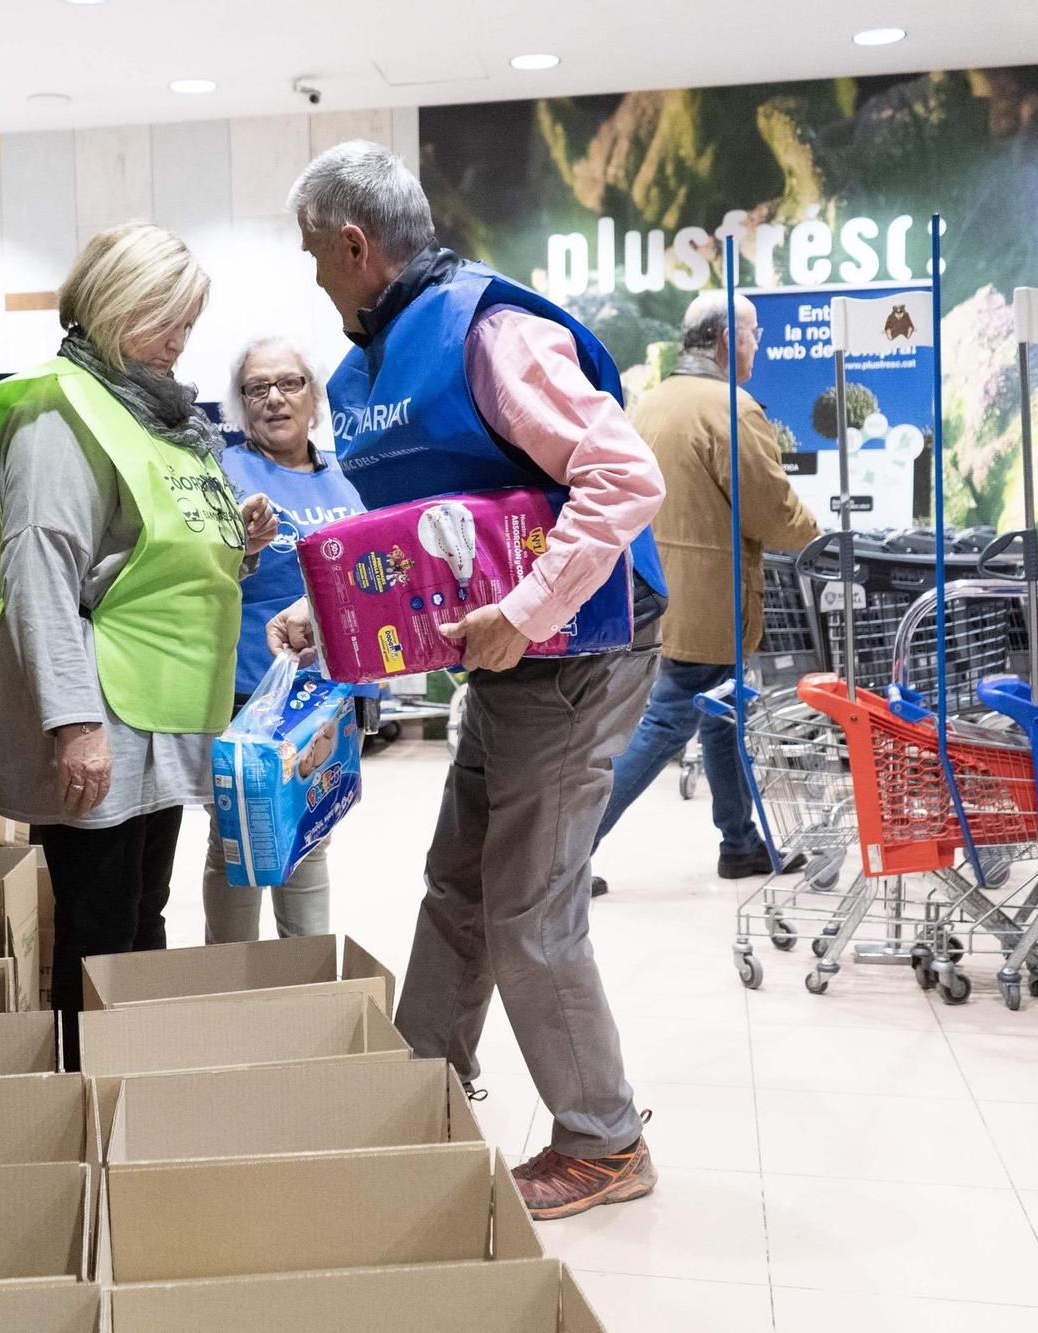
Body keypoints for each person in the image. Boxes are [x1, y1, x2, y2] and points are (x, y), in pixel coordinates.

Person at [267, 141, 667, 1220]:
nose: (311, 276)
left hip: (579, 649)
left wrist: (526, 607)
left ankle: (603, 1140)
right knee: (457, 885)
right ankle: (420, 1084)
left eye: (313, 254)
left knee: (529, 908)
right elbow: (414, 526)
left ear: (354, 245)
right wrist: (324, 605)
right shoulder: (377, 364)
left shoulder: (492, 335)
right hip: (508, 661)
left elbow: (625, 476)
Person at [0, 222, 277, 1069]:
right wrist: (72, 722)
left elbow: (144, 551)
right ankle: (93, 1102)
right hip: (100, 714)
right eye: (160, 317)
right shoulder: (60, 412)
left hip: (162, 710)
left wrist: (235, 544)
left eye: (187, 319)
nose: (178, 340)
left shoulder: (164, 418)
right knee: (100, 930)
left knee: (143, 911)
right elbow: (40, 573)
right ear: (109, 307)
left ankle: (139, 1085)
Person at [590, 292, 822, 894]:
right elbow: (770, 509)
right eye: (753, 333)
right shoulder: (731, 410)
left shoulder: (651, 404)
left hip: (651, 594)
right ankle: (565, 854)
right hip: (712, 602)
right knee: (670, 721)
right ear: (726, 340)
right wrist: (822, 539)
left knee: (724, 716)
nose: (758, 344)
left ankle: (740, 843)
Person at [199, 335, 374, 943]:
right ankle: (232, 979)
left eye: (290, 383)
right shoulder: (224, 474)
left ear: (314, 396)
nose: (275, 398)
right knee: (238, 837)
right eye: (256, 388)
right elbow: (199, 581)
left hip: (325, 692)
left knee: (311, 831)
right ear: (240, 405)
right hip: (248, 689)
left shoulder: (343, 477)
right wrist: (239, 549)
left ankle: (304, 976)